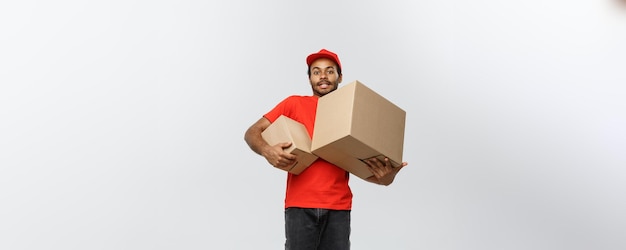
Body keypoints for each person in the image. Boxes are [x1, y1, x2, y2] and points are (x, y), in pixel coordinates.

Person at [244, 48, 408, 250]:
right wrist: (267, 151)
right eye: (316, 71)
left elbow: (364, 167)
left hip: (338, 209)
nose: (323, 76)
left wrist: (387, 178)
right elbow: (252, 133)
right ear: (309, 79)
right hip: (300, 207)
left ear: (340, 77)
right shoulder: (294, 104)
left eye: (330, 71)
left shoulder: (350, 112)